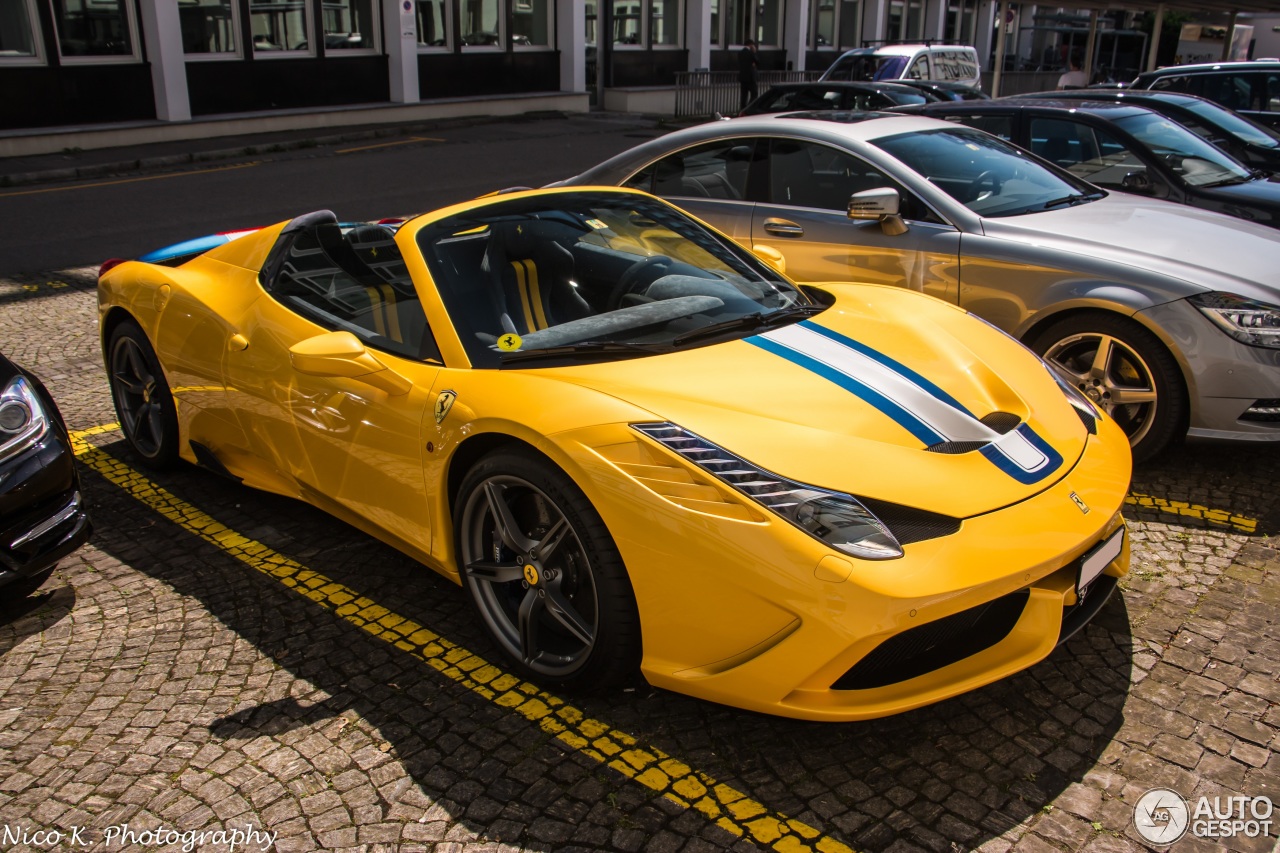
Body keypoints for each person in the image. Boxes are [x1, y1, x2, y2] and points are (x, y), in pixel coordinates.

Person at [739, 39, 759, 111]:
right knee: (754, 94)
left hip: (743, 77)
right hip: (751, 78)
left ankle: (742, 109)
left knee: (744, 95)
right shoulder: (751, 53)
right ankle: (749, 108)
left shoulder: (740, 53)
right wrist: (754, 52)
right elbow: (757, 61)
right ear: (751, 45)